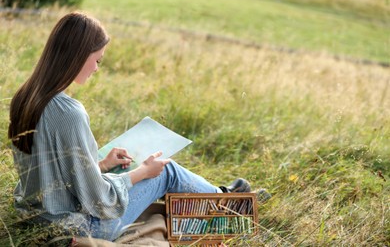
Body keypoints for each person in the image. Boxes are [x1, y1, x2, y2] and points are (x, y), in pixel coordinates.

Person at [8, 12, 251, 241]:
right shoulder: (70, 113)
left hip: (37, 219)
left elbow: (50, 172)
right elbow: (100, 200)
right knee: (167, 171)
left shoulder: (26, 96)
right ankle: (228, 205)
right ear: (78, 55)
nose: (96, 69)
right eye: (97, 60)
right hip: (79, 229)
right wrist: (143, 172)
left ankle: (217, 200)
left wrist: (102, 165)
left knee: (137, 170)